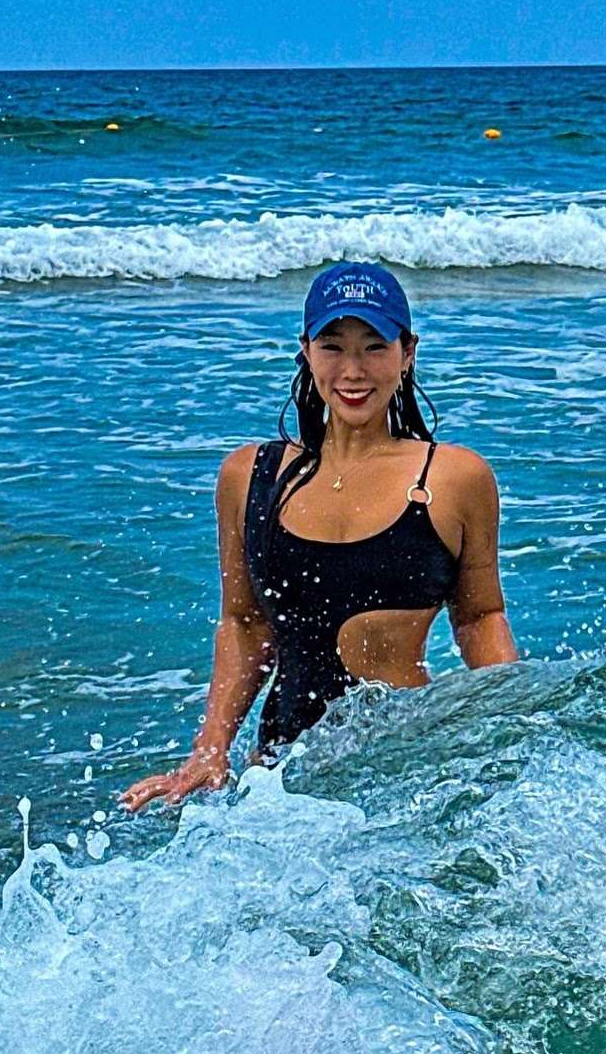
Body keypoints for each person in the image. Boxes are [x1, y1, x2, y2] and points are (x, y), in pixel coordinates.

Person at [117, 260, 520, 813]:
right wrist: (209, 752)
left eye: (374, 347)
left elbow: (479, 618)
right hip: (280, 777)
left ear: (407, 353)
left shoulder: (453, 478)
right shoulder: (250, 477)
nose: (353, 371)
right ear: (306, 352)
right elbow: (245, 623)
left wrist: (515, 733)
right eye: (332, 347)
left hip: (411, 770)